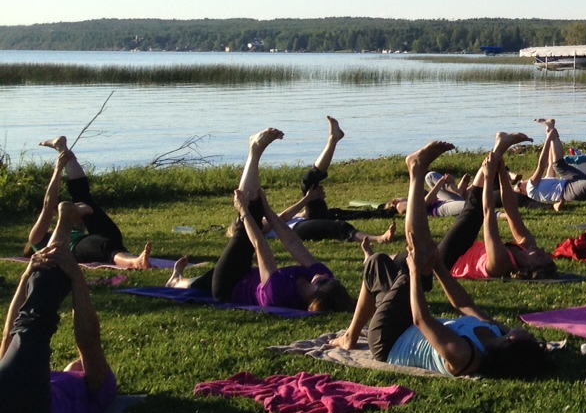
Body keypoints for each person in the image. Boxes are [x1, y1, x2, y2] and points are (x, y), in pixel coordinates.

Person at [335, 142, 549, 377]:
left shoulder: (464, 355)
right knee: (379, 264)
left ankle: (416, 171)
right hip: (406, 322)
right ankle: (350, 337)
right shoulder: (499, 332)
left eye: (531, 339)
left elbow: (422, 319)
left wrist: (417, 273)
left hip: (390, 338)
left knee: (420, 257)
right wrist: (438, 266)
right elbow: (464, 303)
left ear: (512, 344)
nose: (532, 334)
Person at [165, 129, 350, 312]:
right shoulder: (321, 275)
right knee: (203, 281)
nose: (322, 275)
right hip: (249, 276)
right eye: (330, 278)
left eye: (323, 282)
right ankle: (176, 281)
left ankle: (255, 150)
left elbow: (259, 244)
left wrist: (244, 211)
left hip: (229, 285)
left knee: (249, 214)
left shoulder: (278, 293)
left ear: (315, 296)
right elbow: (292, 242)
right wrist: (268, 210)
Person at [0, 204, 118, 413]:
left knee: (34, 321)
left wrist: (76, 276)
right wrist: (27, 274)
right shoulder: (45, 378)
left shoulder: (100, 391)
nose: (75, 363)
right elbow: (11, 335)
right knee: (31, 322)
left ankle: (64, 225)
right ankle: (63, 227)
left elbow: (88, 343)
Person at [440, 134, 560, 279]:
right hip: (468, 249)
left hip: (449, 260)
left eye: (540, 256)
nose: (541, 249)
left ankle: (500, 146)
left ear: (528, 267)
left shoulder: (501, 263)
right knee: (472, 207)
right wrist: (502, 171)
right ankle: (500, 147)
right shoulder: (527, 246)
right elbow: (512, 211)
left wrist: (489, 177)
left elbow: (488, 212)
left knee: (473, 210)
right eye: (544, 252)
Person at [24, 138, 151, 270]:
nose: (50, 228)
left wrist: (65, 156)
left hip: (96, 239)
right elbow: (48, 205)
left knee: (83, 197)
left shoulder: (71, 230)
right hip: (81, 247)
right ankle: (135, 262)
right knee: (106, 246)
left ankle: (62, 147)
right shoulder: (36, 241)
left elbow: (81, 210)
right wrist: (58, 169)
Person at [277, 118, 397, 245]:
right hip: (293, 230)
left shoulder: (257, 213)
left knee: (309, 181)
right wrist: (308, 199)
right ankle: (379, 239)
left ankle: (334, 138)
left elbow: (287, 217)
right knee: (337, 226)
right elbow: (280, 220)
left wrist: (308, 209)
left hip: (301, 219)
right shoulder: (254, 223)